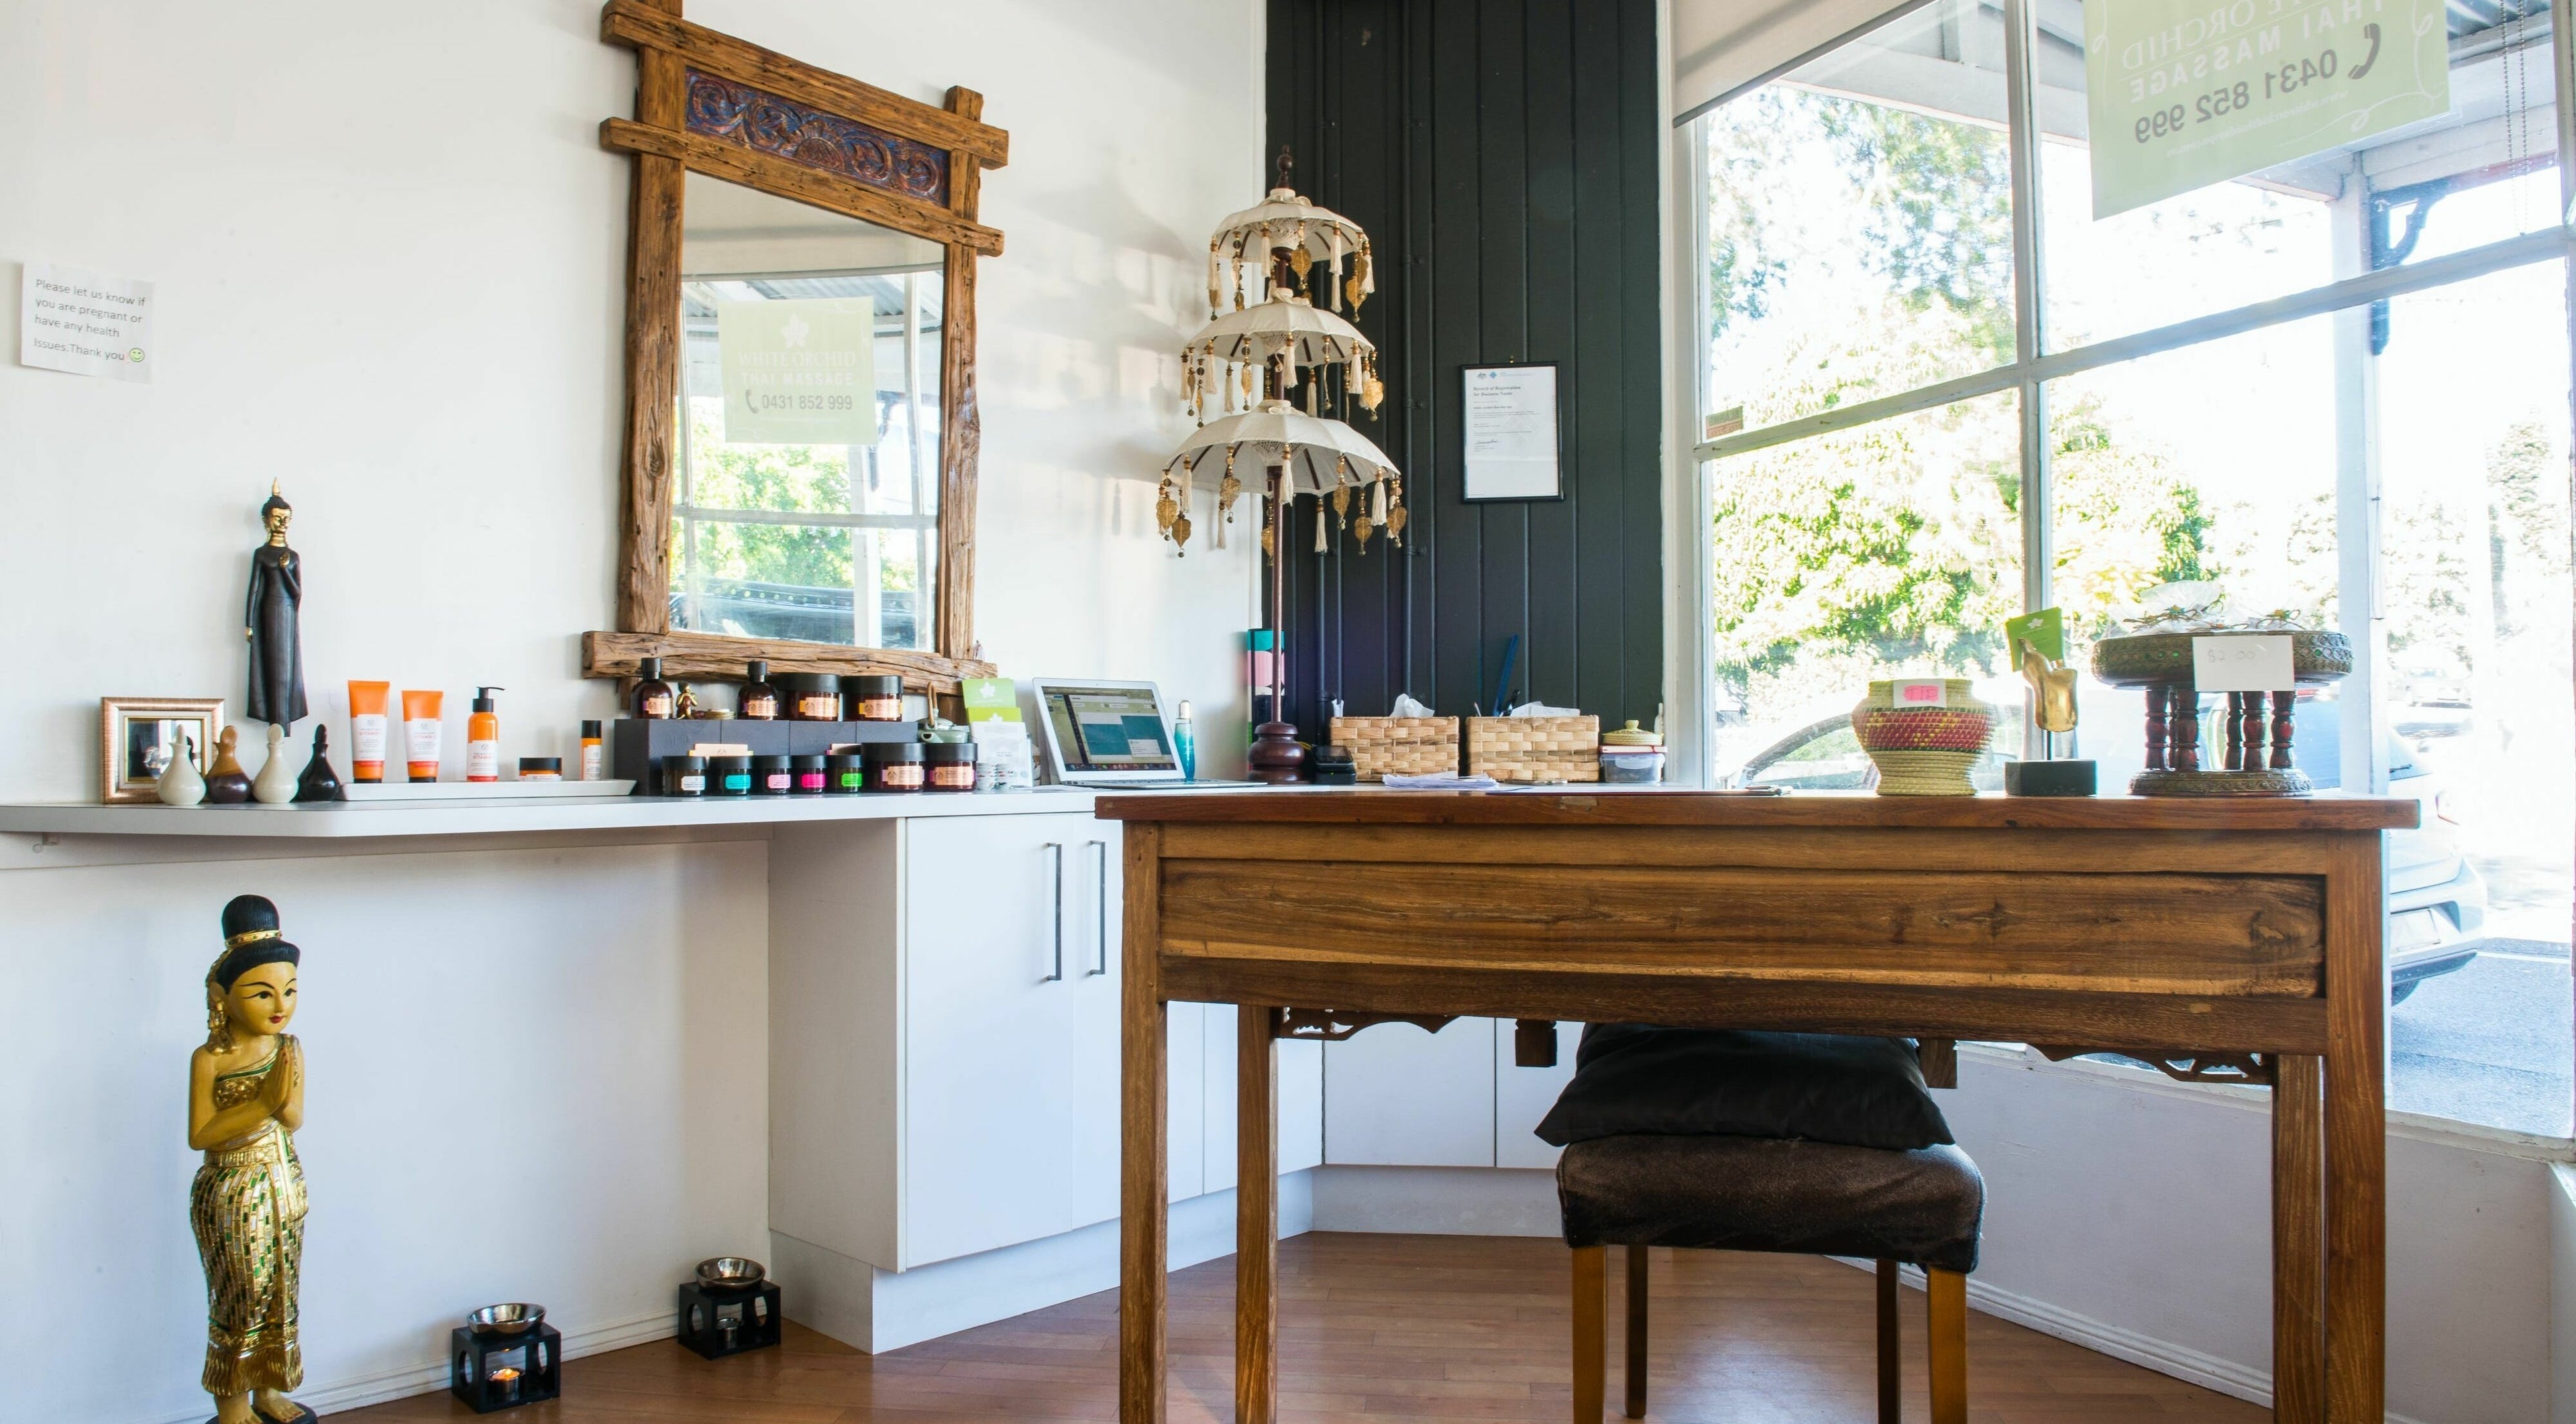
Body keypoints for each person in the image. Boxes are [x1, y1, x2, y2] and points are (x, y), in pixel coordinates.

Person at [187, 895, 313, 1424]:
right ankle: (232, 1401)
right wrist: (262, 1103)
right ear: (223, 996)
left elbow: (294, 1117)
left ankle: (268, 1390)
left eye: (290, 990)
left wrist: (279, 1100)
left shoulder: (288, 1048)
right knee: (241, 1294)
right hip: (232, 1190)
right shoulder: (210, 1059)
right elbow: (201, 1135)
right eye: (262, 992)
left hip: (282, 1179)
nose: (280, 1004)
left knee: (281, 1290)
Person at [244, 484, 306, 728]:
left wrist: (284, 569)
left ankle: (283, 722)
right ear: (267, 521)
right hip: (268, 612)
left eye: (286, 519)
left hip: (288, 613)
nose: (282, 523)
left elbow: (297, 593)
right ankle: (273, 721)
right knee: (269, 664)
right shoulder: (261, 554)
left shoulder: (293, 557)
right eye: (277, 518)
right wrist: (249, 623)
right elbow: (254, 590)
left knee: (286, 667)